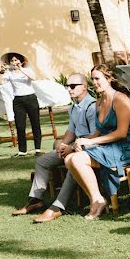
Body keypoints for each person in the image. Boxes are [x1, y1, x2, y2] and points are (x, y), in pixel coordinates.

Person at [12, 73, 96, 223]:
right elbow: (71, 131)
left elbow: (95, 136)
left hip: (90, 148)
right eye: (67, 86)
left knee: (72, 164)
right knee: (42, 161)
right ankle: (35, 200)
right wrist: (64, 145)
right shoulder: (74, 108)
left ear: (84, 87)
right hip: (75, 146)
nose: (69, 89)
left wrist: (70, 147)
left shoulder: (92, 106)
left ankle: (57, 207)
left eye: (72, 86)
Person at [65, 65, 130, 220]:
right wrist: (83, 140)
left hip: (126, 147)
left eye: (97, 78)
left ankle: (99, 200)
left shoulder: (120, 99)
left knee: (78, 158)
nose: (94, 82)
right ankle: (96, 199)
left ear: (109, 79)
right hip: (108, 146)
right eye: (92, 78)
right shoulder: (99, 102)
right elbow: (99, 132)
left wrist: (89, 142)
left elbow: (121, 133)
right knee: (68, 159)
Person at [0, 52, 41, 157]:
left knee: (35, 124)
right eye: (12, 61)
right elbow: (0, 82)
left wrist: (20, 69)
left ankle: (38, 149)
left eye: (16, 60)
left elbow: (34, 78)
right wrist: (2, 72)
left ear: (21, 61)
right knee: (20, 126)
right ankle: (22, 151)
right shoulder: (9, 73)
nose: (14, 62)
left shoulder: (27, 70)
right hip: (17, 100)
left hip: (30, 98)